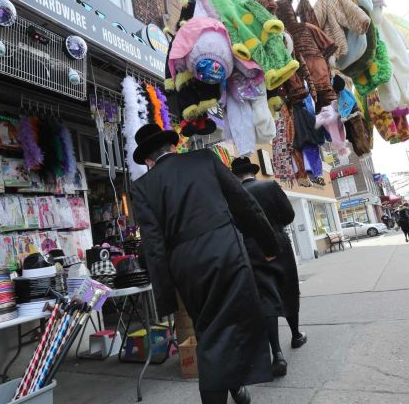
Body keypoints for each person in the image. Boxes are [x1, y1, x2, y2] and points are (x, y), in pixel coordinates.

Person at [131, 124, 279, 404]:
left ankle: (234, 386)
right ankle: (234, 385)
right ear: (173, 146)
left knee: (209, 331)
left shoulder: (142, 187)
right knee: (236, 324)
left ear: (148, 161)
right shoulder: (205, 159)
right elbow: (244, 203)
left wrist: (166, 301)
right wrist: (269, 245)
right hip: (227, 253)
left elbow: (153, 244)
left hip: (187, 267)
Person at [231, 157, 307, 379]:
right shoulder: (270, 186)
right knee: (289, 288)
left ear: (236, 176)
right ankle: (295, 335)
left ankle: (277, 353)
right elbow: (289, 216)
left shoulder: (233, 197)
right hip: (279, 241)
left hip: (252, 248)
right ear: (253, 172)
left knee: (266, 296)